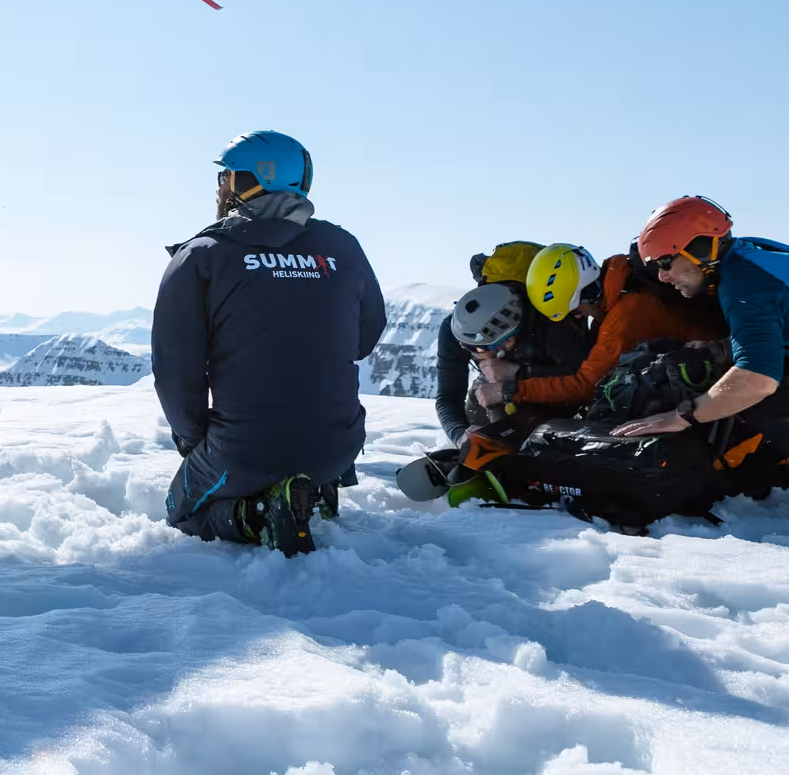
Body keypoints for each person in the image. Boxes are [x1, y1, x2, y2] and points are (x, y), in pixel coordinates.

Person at [153, 130, 386, 555]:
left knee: (180, 510)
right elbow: (365, 337)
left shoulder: (202, 256)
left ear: (249, 182)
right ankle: (315, 491)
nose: (220, 187)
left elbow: (175, 370)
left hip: (244, 451)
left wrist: (195, 444)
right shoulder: (343, 247)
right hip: (339, 445)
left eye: (226, 176)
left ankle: (259, 515)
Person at [615, 196, 789, 514]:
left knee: (775, 403)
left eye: (664, 263)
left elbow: (757, 380)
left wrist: (681, 416)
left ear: (698, 250)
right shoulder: (747, 257)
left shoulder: (747, 285)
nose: (662, 277)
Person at [490, 242, 727, 411]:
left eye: (575, 311)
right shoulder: (621, 285)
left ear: (583, 295)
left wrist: (512, 390)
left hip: (707, 384)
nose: (580, 318)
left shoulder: (626, 314)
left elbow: (586, 387)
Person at [434, 244, 592, 446]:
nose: (491, 357)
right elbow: (447, 398)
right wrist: (460, 436)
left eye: (497, 348)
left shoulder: (551, 323)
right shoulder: (454, 329)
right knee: (482, 397)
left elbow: (583, 381)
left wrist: (518, 374)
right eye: (478, 353)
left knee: (524, 433)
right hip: (497, 391)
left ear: (510, 336)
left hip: (551, 391)